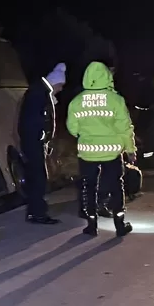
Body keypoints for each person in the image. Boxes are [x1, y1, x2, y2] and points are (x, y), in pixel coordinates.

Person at [67, 61, 135, 237]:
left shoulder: (77, 101)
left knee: (89, 187)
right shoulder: (116, 100)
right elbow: (125, 128)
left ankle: (91, 225)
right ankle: (119, 225)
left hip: (87, 152)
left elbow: (72, 128)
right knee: (115, 185)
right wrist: (130, 149)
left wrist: (87, 135)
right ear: (107, 77)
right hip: (112, 152)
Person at [18, 63, 67, 224]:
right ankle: (37, 213)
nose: (61, 89)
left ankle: (36, 211)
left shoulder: (40, 91)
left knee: (37, 175)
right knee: (39, 176)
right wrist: (41, 137)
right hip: (34, 142)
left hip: (34, 141)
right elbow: (35, 119)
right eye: (60, 85)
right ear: (55, 82)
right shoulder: (39, 93)